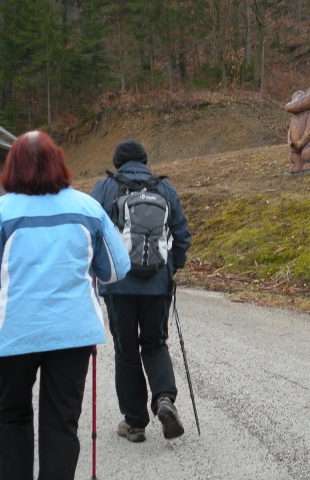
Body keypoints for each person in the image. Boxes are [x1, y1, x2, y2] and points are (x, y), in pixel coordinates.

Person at [0, 131, 131, 480]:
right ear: (59, 164)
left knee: (12, 414)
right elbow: (116, 269)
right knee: (61, 423)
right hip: (72, 333)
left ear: (13, 167)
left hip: (13, 334)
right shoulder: (87, 208)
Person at [91, 139, 191, 442]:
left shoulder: (105, 188)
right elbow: (182, 234)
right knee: (155, 343)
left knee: (126, 351)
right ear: (145, 162)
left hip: (118, 286)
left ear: (117, 162)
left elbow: (91, 234)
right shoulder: (164, 189)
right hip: (157, 284)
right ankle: (164, 400)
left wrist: (98, 272)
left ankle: (134, 424)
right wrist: (171, 267)